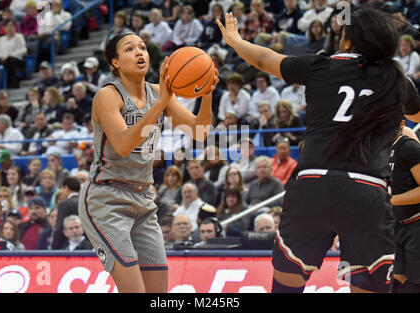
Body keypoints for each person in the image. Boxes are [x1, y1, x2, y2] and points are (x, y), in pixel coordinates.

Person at [217, 8, 420, 293]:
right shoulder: (398, 81)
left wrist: (236, 40)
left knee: (286, 288)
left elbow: (264, 58)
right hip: (366, 192)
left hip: (313, 185)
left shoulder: (321, 66)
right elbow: (417, 114)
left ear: (347, 41)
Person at [78, 31, 218, 293]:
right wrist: (162, 102)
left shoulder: (157, 92)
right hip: (105, 199)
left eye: (142, 47)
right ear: (115, 62)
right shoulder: (108, 96)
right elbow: (122, 144)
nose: (139, 52)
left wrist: (206, 92)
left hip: (143, 198)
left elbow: (200, 131)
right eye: (130, 49)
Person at [389, 120, 420, 293]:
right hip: (396, 224)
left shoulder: (409, 147)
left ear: (401, 123)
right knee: (395, 279)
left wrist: (390, 200)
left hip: (416, 223)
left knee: (415, 283)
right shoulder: (378, 149)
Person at [0, 19, 27, 88]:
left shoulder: (19, 37)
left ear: (15, 27)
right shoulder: (1, 39)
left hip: (17, 60)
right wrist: (1, 57)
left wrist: (8, 56)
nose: (9, 28)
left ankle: (11, 84)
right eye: (7, 26)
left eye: (11, 26)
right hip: (4, 59)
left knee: (10, 60)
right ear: (4, 28)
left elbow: (22, 50)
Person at [51, 176, 80, 250]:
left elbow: (60, 228)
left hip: (68, 247)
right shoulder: (86, 203)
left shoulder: (64, 204)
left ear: (66, 188)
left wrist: (54, 248)